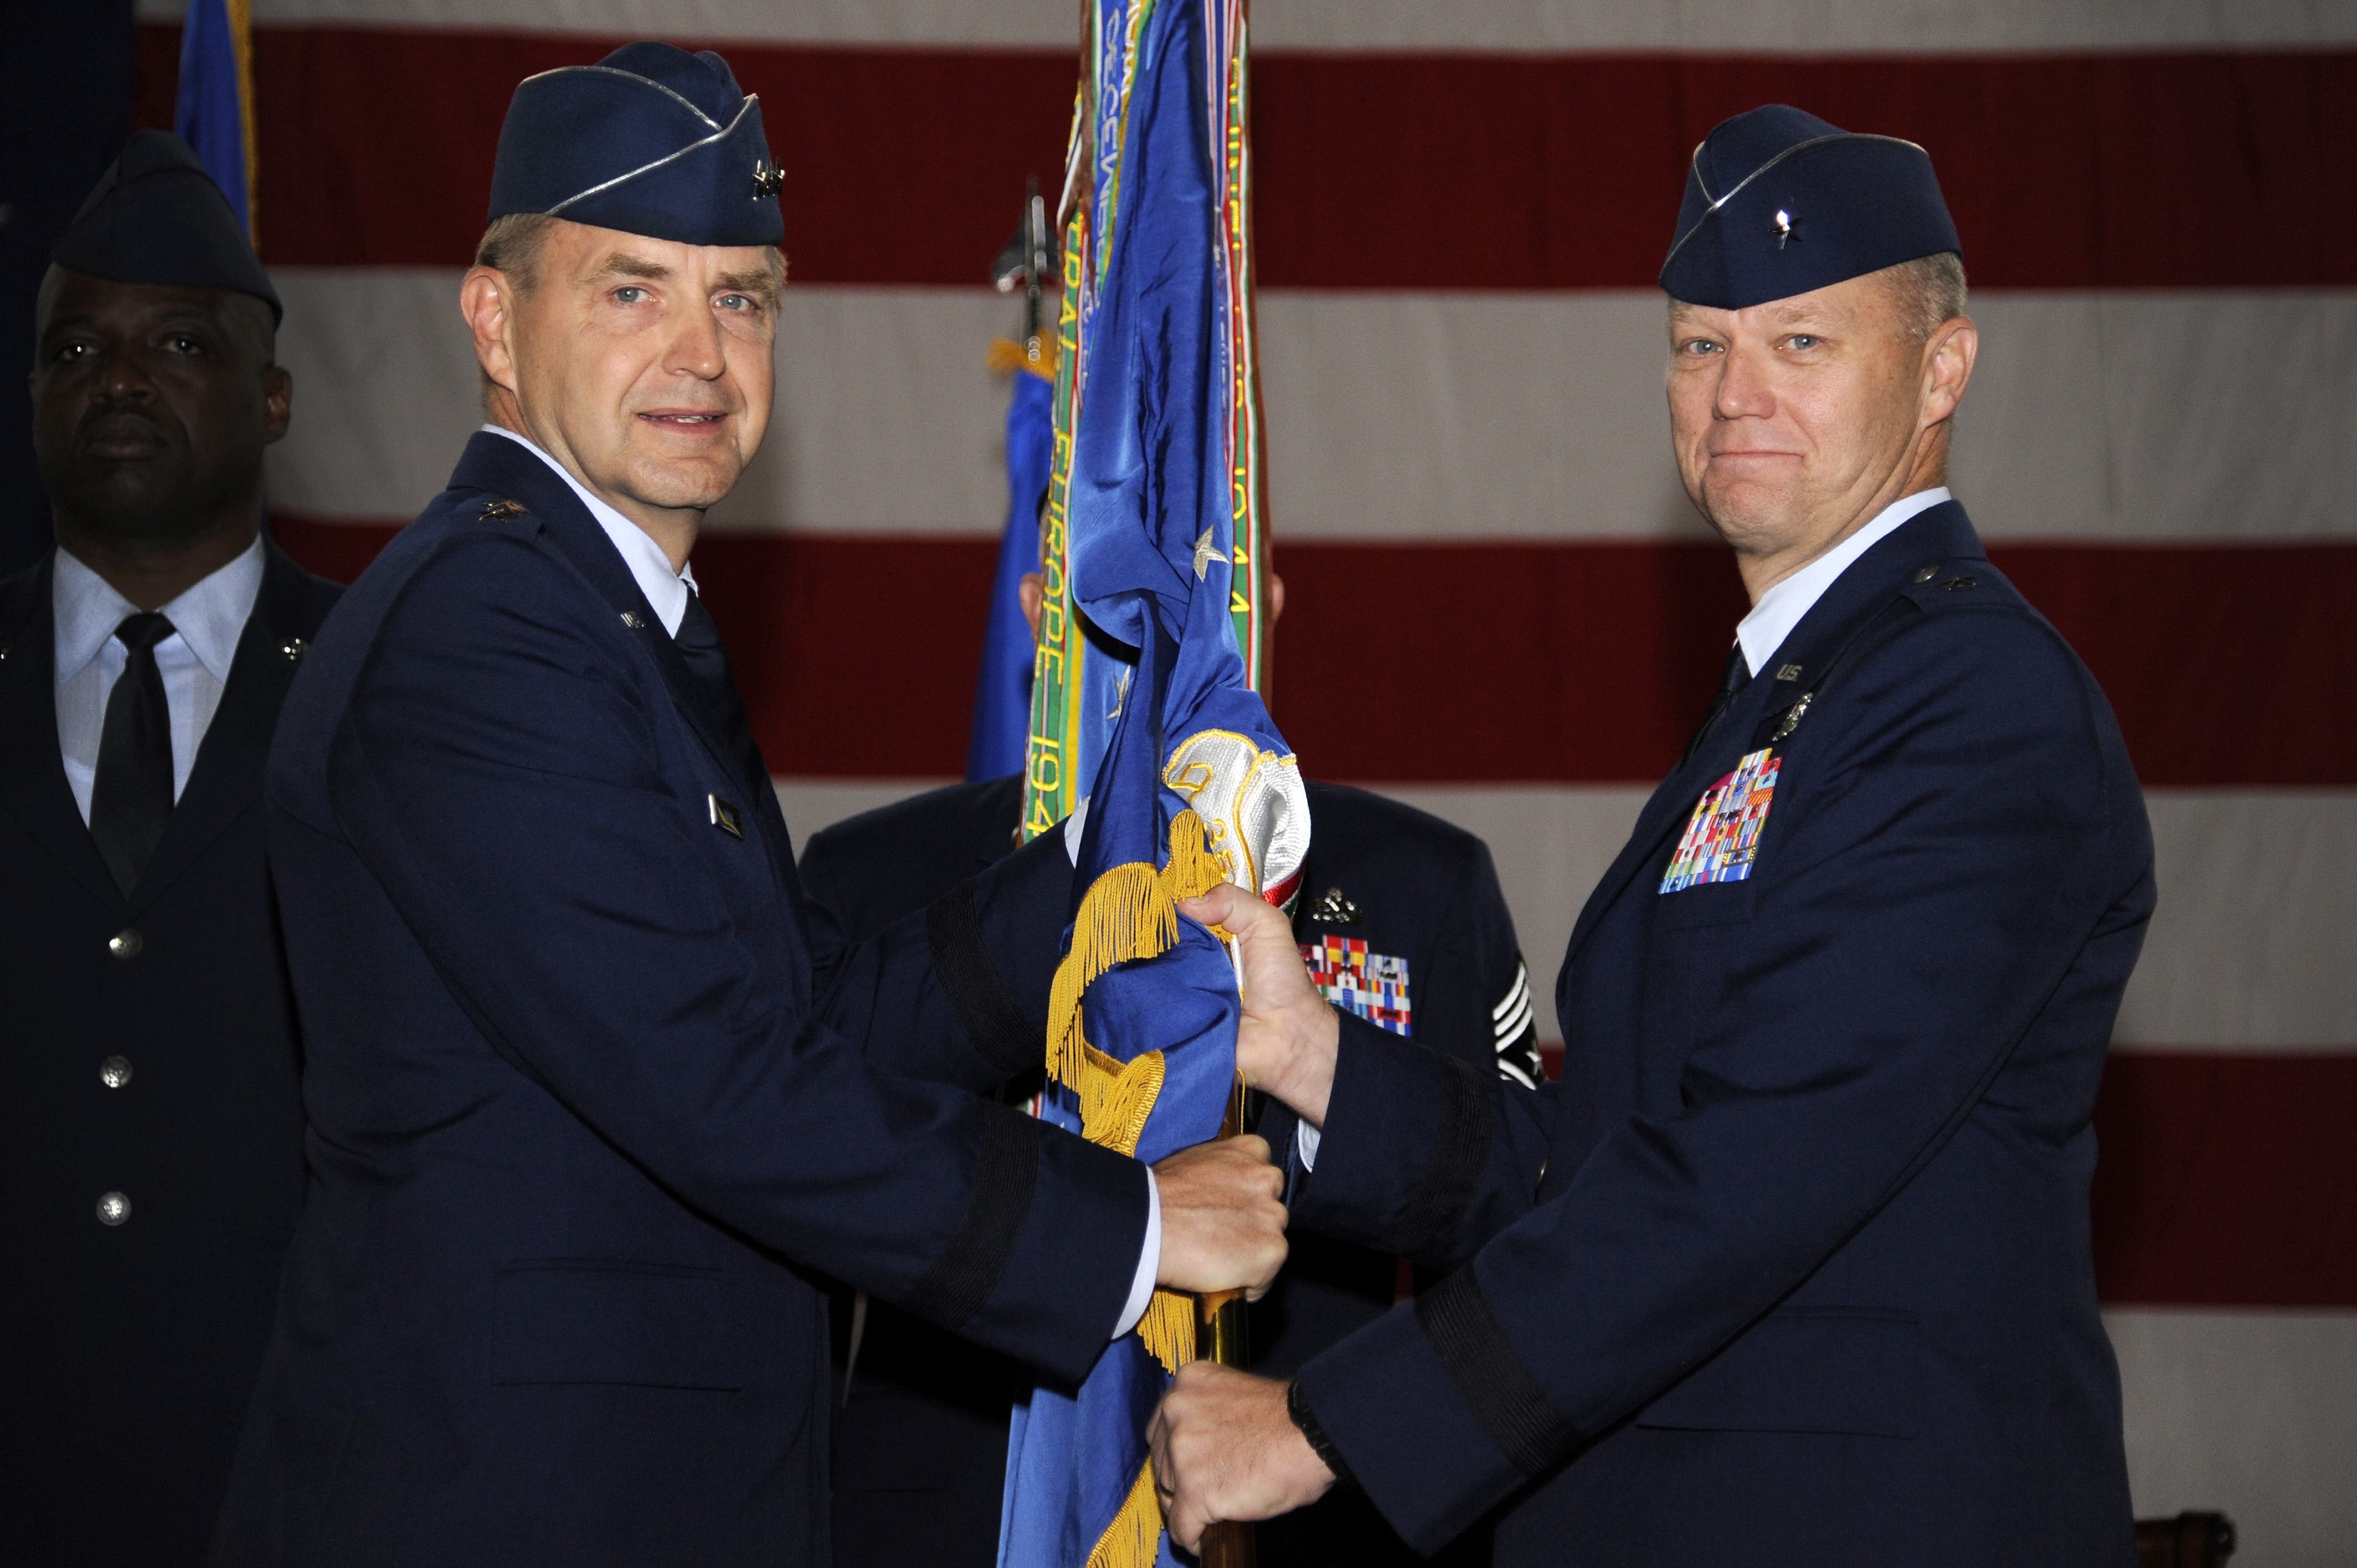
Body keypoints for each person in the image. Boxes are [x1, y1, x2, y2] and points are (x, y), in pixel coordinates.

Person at [212, 45, 1284, 1566]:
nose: (703, 355)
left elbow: (801, 1016)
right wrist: (1134, 1229)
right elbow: (719, 1079)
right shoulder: (484, 631)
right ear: (496, 323)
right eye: (632, 290)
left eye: (744, 298)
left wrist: (1118, 857)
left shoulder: (605, 616)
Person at [1149, 104, 2155, 1566]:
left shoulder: (1974, 701)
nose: (1737, 391)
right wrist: (1308, 1053)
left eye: (1802, 342)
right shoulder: (1794, 701)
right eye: (1702, 345)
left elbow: (1752, 1174)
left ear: (1944, 367)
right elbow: (1616, 1164)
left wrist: (1322, 1427)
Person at [802, 570, 1539, 1567]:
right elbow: (803, 1194)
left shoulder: (1420, 882)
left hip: (1309, 1507)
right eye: (1118, 599)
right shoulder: (880, 876)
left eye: (1206, 600)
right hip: (953, 1518)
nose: (1165, 640)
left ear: (1271, 606)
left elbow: (1520, 1233)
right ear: (1036, 610)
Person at [0, 131, 341, 1568]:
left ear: (270, 399)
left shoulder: (380, 685)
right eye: (77, 350)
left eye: (178, 343)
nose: (121, 379)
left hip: (295, 1480)